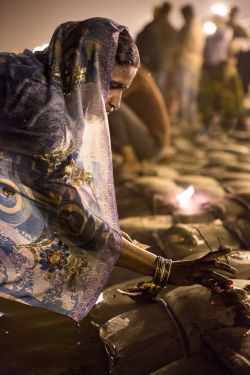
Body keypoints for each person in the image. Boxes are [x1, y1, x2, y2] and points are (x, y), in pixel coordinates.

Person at [0, 17, 235, 373]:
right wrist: (166, 269)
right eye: (112, 86)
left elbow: (61, 185)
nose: (117, 102)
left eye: (125, 88)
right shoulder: (45, 114)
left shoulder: (33, 71)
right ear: (82, 70)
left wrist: (117, 238)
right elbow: (71, 218)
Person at [109, 64, 171, 178]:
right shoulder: (134, 72)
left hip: (153, 144)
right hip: (147, 139)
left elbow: (112, 96)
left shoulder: (133, 75)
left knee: (113, 105)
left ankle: (131, 160)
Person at [136, 1, 177, 102]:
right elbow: (176, 48)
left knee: (149, 88)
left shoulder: (153, 25)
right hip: (165, 64)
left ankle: (148, 108)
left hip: (151, 63)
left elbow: (140, 41)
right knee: (159, 90)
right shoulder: (172, 29)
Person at [174, 4, 204, 126]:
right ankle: (190, 116)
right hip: (197, 62)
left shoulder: (187, 27)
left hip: (185, 61)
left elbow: (180, 44)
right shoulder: (199, 25)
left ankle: (185, 118)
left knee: (184, 91)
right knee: (192, 91)